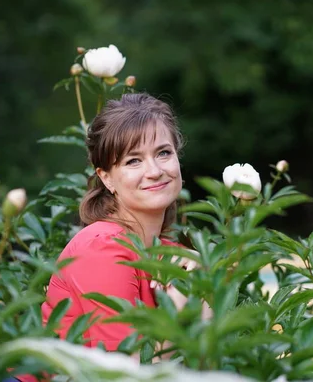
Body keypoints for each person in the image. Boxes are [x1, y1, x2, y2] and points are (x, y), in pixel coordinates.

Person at [13, 93, 195, 382]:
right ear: (107, 177)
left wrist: (201, 285)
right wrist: (182, 307)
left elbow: (207, 362)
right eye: (133, 160)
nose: (155, 171)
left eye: (163, 153)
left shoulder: (171, 252)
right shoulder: (101, 247)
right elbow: (124, 375)